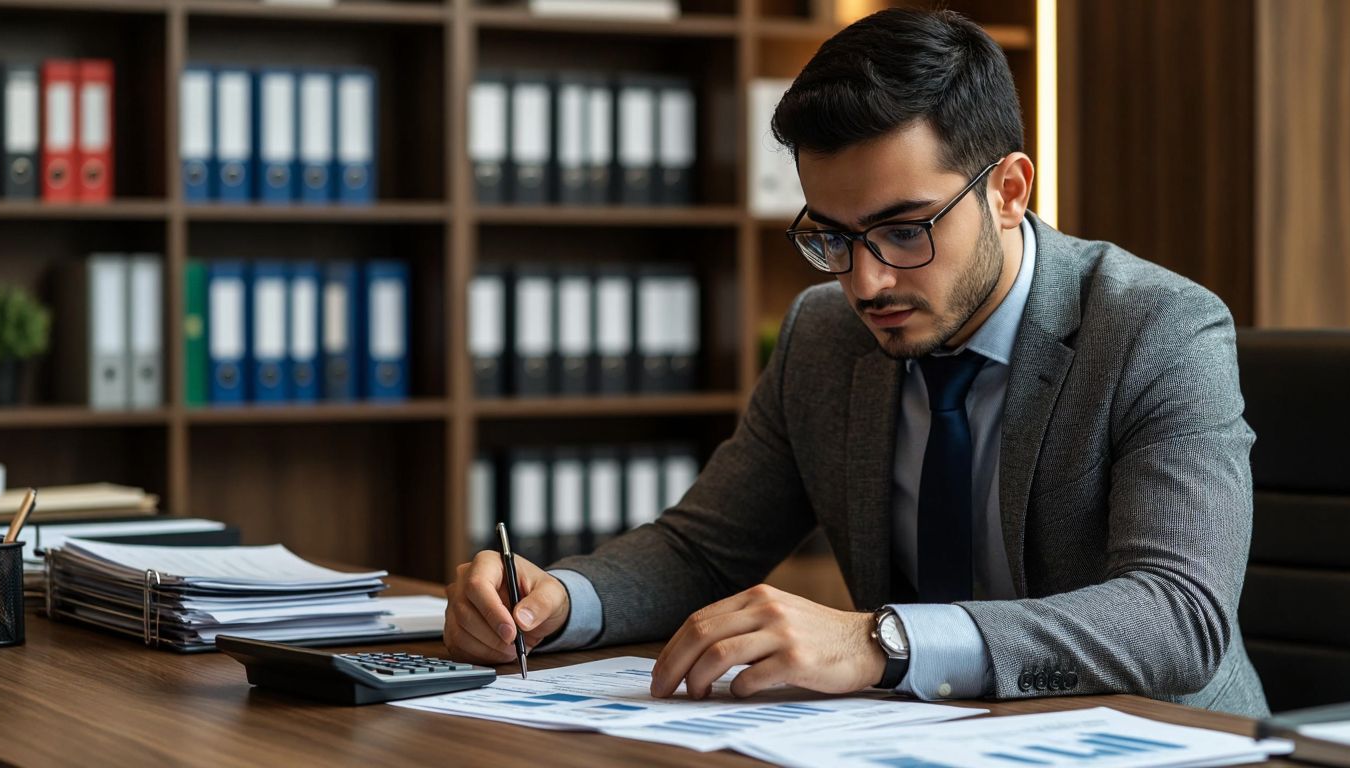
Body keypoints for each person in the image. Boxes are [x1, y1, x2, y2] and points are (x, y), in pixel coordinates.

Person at [443, 7, 1269, 717]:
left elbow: (1178, 617)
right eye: (830, 237)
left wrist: (882, 639)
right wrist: (559, 600)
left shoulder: (1157, 327)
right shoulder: (823, 335)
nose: (866, 281)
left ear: (1010, 191)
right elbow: (702, 551)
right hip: (913, 743)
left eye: (906, 230)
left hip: (1161, 743)